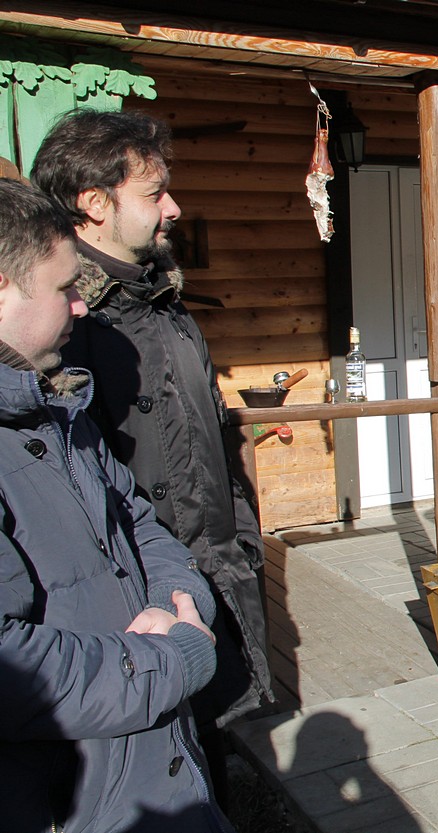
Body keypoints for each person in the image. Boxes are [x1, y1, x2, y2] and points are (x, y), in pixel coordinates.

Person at [30, 109, 272, 801]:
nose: (173, 208)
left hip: (209, 578)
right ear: (94, 202)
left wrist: (241, 538)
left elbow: (215, 437)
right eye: (154, 193)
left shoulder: (165, 303)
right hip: (136, 621)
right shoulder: (62, 324)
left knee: (211, 763)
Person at [0, 178, 232, 832]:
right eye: (64, 289)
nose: (81, 308)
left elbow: (141, 526)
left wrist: (176, 603)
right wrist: (174, 658)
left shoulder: (58, 411)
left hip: (155, 778)